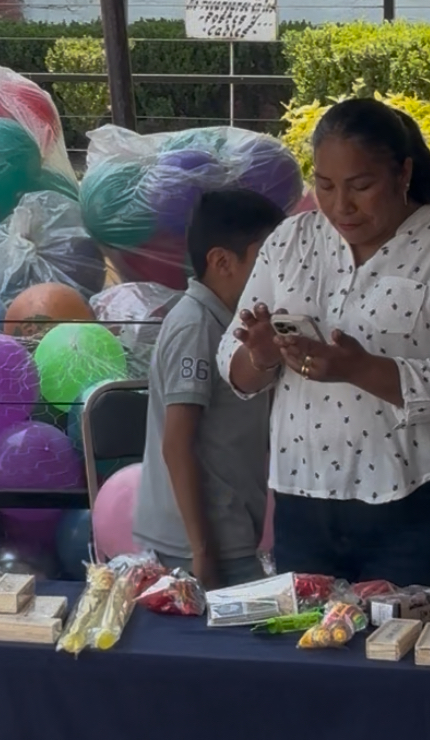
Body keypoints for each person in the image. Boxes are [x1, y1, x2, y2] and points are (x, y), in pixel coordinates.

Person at [219, 98, 430, 586]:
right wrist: (260, 355)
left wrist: (359, 368)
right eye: (326, 186)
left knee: (415, 651)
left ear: (403, 174)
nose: (340, 206)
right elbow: (234, 361)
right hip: (302, 499)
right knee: (312, 651)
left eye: (361, 186)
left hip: (419, 507)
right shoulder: (289, 242)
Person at [133, 189, 286, 590]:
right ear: (221, 261)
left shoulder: (230, 323)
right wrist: (202, 551)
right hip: (199, 544)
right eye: (265, 260)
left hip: (224, 534)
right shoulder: (196, 325)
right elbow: (177, 443)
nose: (278, 273)